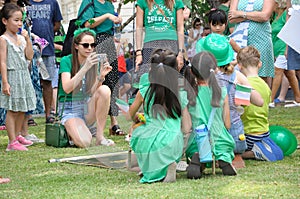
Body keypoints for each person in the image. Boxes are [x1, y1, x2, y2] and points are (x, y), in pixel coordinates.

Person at [197, 33, 263, 168]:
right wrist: (247, 89)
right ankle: (234, 158)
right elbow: (259, 102)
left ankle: (209, 158)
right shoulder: (236, 75)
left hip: (207, 130)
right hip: (233, 130)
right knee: (235, 154)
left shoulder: (200, 77)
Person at [129, 49, 192, 183]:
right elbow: (187, 128)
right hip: (173, 142)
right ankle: (169, 165)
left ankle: (152, 169)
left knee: (138, 134)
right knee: (178, 138)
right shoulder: (181, 95)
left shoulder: (144, 91)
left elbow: (131, 114)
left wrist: (139, 117)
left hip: (150, 140)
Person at [58, 28, 114, 148]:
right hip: (70, 109)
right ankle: (73, 129)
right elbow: (67, 88)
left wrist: (101, 77)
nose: (90, 48)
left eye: (93, 45)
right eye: (85, 45)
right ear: (76, 46)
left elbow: (92, 92)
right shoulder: (66, 61)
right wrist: (84, 68)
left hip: (87, 106)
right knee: (85, 142)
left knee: (104, 89)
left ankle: (99, 137)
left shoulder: (94, 63)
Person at [184, 51, 237, 177]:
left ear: (192, 72)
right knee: (224, 147)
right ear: (215, 70)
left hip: (197, 139)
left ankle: (197, 157)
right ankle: (222, 157)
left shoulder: (188, 93)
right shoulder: (222, 92)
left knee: (195, 147)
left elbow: (187, 125)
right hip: (220, 139)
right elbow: (228, 124)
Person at [78, 0, 124, 136]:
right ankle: (92, 123)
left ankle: (114, 123)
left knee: (112, 82)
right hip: (93, 42)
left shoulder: (109, 4)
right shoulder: (90, 2)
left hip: (109, 42)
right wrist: (107, 16)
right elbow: (86, 24)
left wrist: (117, 20)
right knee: (96, 82)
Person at [237, 46, 283, 161]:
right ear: (260, 64)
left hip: (248, 134)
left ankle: (251, 153)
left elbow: (238, 111)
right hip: (264, 133)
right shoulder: (265, 86)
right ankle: (264, 148)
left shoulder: (243, 86)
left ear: (239, 66)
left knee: (232, 150)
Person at [0, 3, 36, 151]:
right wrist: (5, 82)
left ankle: (18, 134)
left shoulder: (21, 38)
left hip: (24, 74)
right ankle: (11, 140)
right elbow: (2, 61)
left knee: (23, 107)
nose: (19, 23)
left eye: (21, 20)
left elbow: (29, 56)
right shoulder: (3, 39)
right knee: (12, 108)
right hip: (12, 74)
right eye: (15, 20)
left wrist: (27, 40)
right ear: (5, 21)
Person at [27, 0, 63, 123]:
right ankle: (29, 116)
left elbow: (57, 23)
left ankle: (48, 114)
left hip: (47, 50)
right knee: (29, 82)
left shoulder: (52, 2)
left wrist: (45, 38)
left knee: (47, 81)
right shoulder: (25, 2)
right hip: (28, 49)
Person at [229, 0, 275, 87]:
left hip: (261, 38)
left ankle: (263, 98)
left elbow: (265, 16)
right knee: (240, 71)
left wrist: (241, 14)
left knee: (261, 72)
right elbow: (232, 18)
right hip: (240, 39)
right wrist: (256, 15)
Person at [135, 0, 185, 80]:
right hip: (150, 44)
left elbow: (180, 28)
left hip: (171, 43)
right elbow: (139, 28)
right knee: (147, 78)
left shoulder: (176, 1)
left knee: (171, 79)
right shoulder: (142, 1)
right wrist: (138, 53)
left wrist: (181, 53)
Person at [270, 0, 300, 107]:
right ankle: (298, 98)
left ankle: (270, 99)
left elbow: (289, 28)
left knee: (278, 70)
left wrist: (287, 47)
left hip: (284, 47)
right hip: (279, 49)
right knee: (289, 73)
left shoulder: (284, 15)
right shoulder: (276, 16)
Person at [52, 24, 65, 114]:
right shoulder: (49, 27)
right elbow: (42, 41)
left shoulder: (60, 28)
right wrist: (59, 47)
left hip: (61, 60)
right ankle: (56, 109)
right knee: (54, 86)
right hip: (53, 60)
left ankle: (59, 108)